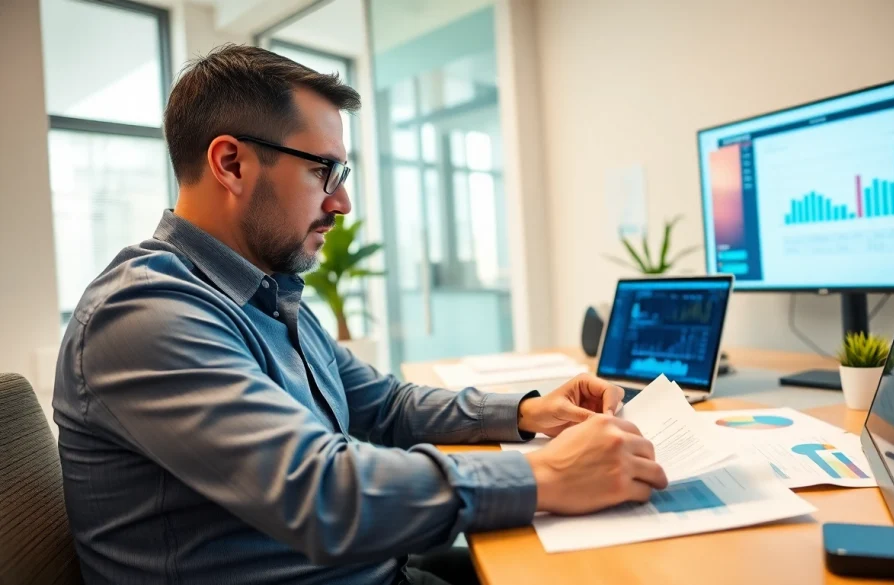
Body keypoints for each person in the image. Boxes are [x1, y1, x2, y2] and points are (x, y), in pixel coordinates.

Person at [52, 44, 667, 585]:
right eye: (324, 170)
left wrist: (528, 413)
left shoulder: (266, 294)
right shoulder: (144, 314)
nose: (342, 201)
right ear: (231, 164)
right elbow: (320, 493)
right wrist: (547, 477)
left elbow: (385, 404)